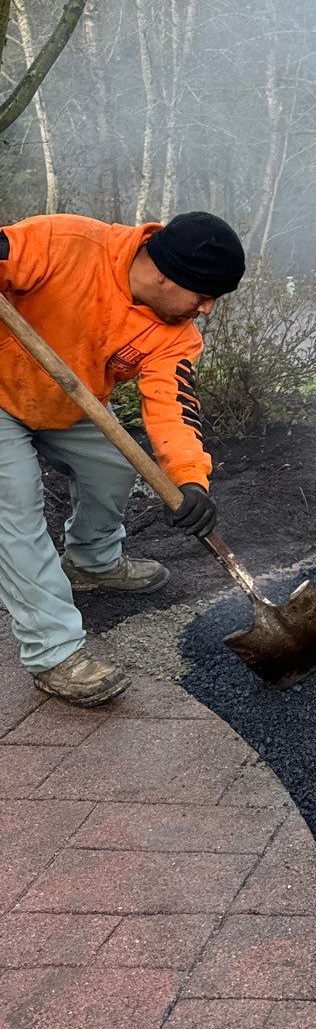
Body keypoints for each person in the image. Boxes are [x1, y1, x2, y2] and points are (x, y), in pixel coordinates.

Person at [0, 210, 245, 707]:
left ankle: (91, 560)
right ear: (162, 274)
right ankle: (53, 651)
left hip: (69, 401)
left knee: (116, 464)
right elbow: (8, 253)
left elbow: (174, 410)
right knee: (15, 502)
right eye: (202, 296)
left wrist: (190, 481)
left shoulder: (176, 331)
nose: (207, 309)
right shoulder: (64, 242)